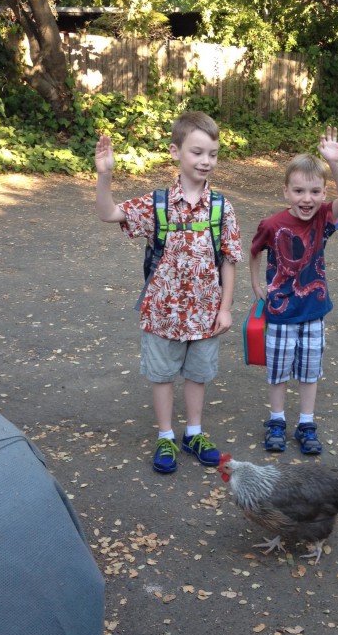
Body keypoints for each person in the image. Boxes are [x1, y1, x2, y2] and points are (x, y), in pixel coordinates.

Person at [95, 111, 243, 474]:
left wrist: (225, 309)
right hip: (162, 311)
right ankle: (165, 436)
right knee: (161, 375)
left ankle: (194, 433)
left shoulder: (222, 207)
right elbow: (109, 213)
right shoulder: (157, 203)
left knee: (198, 374)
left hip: (207, 314)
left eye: (212, 153)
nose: (206, 161)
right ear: (176, 152)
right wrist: (105, 175)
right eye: (197, 152)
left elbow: (229, 260)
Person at [249, 126, 338, 455]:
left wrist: (334, 163)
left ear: (323, 193)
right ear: (286, 192)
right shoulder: (271, 224)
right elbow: (253, 253)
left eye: (314, 191)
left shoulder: (324, 218)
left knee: (309, 372)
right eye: (298, 191)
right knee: (278, 370)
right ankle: (277, 421)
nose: (306, 199)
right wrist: (256, 284)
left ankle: (306, 423)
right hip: (280, 312)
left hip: (313, 311)